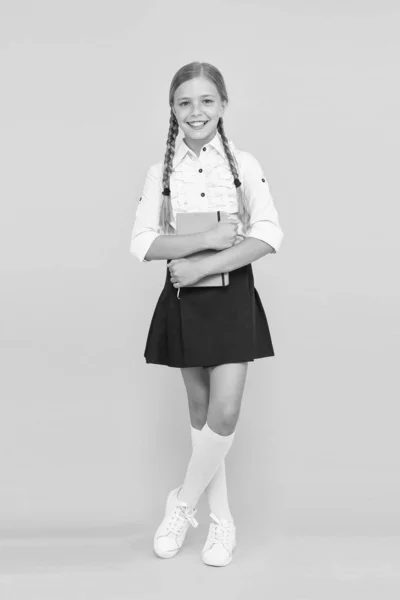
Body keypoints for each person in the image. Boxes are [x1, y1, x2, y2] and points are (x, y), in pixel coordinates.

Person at [130, 61, 284, 567]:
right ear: (173, 110)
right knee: (201, 421)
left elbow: (268, 234)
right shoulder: (161, 172)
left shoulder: (244, 162)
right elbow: (144, 243)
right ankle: (222, 524)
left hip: (231, 298)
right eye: (184, 102)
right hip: (183, 304)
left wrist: (206, 264)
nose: (196, 111)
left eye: (206, 101)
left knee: (224, 413)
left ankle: (181, 503)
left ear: (223, 105)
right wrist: (205, 239)